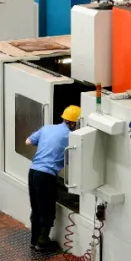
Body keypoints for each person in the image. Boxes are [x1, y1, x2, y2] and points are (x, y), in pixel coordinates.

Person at [24, 105, 80, 252]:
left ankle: (34, 240)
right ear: (74, 123)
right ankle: (43, 241)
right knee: (47, 209)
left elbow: (28, 142)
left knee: (36, 208)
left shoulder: (47, 128)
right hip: (46, 175)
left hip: (33, 172)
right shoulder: (71, 136)